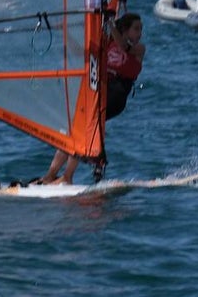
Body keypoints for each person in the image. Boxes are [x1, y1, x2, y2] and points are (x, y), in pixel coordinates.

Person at [38, 12, 146, 185]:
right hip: (99, 91)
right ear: (125, 30)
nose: (140, 33)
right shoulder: (108, 43)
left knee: (86, 130)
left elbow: (124, 48)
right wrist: (64, 32)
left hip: (116, 95)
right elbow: (82, 52)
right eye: (136, 28)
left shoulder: (139, 48)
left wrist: (109, 24)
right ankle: (51, 174)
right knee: (74, 130)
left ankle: (68, 176)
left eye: (141, 29)